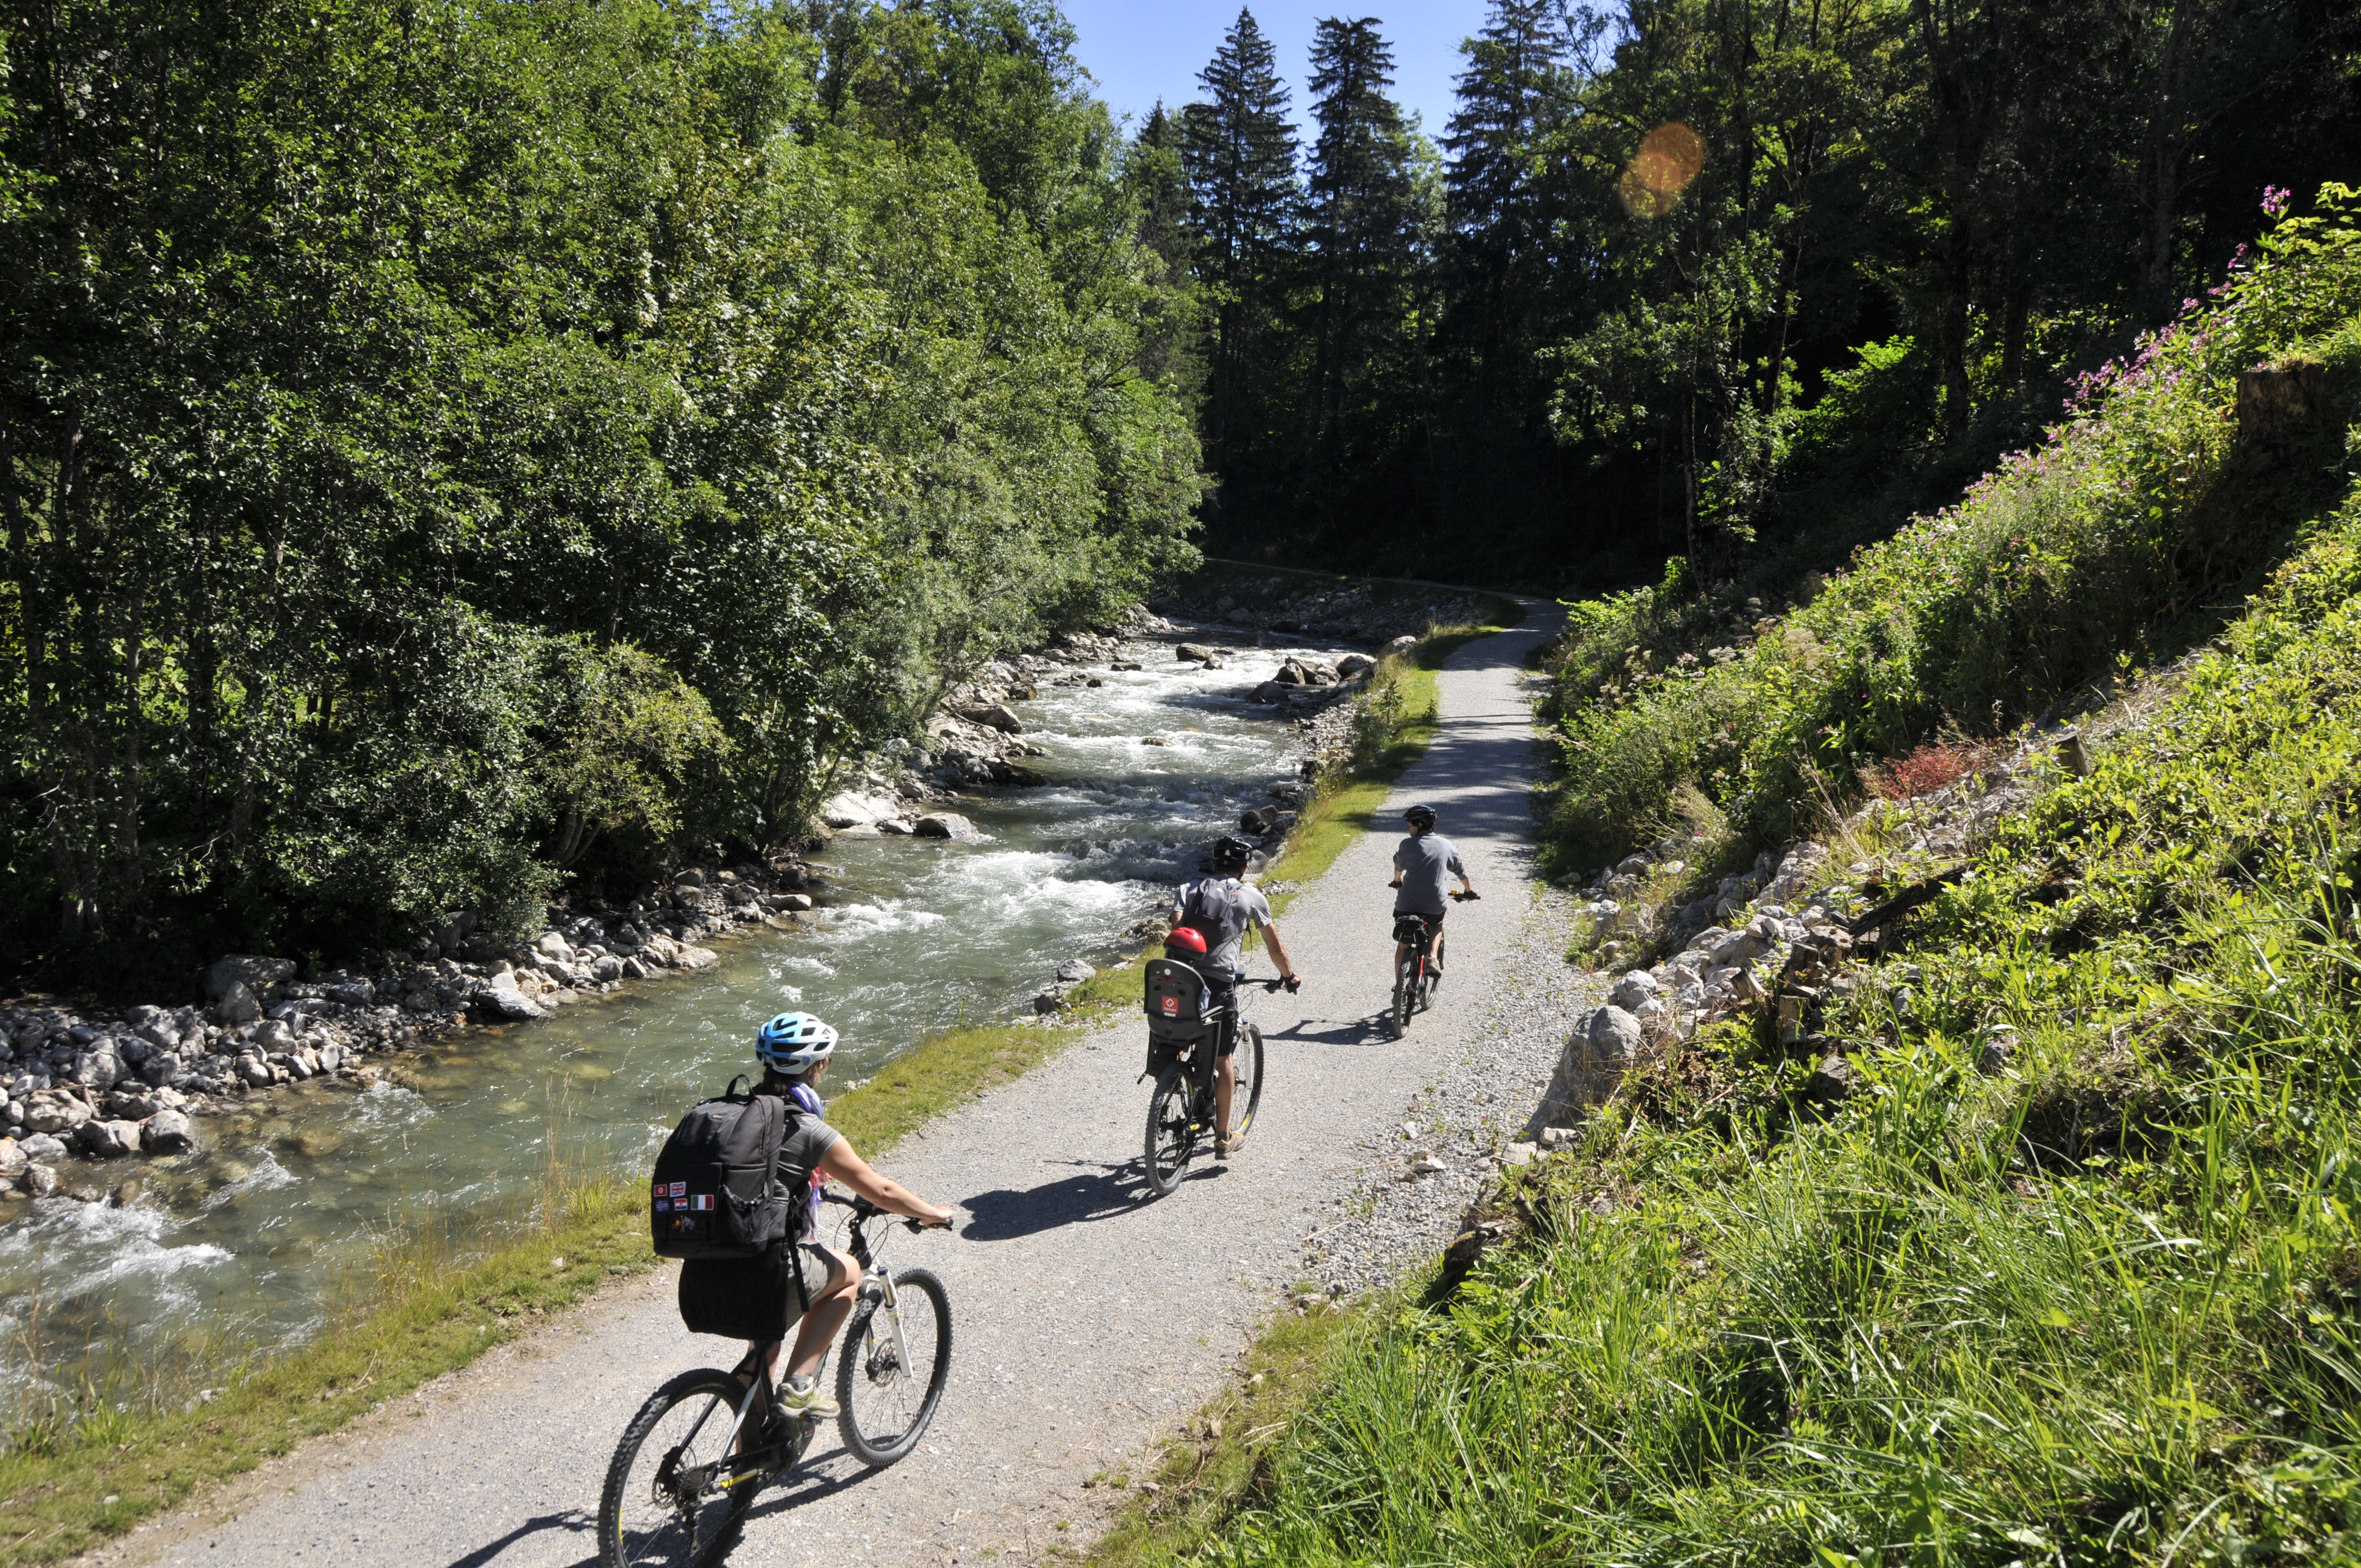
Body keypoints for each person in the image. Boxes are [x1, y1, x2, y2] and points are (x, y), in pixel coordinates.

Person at [732, 1011, 954, 1431]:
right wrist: (930, 1213)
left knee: (762, 1357)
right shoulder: (808, 1129)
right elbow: (881, 1192)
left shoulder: (737, 1112)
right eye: (826, 1061)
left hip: (716, 1264)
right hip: (766, 1267)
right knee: (850, 1273)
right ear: (815, 1068)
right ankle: (800, 1385)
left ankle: (748, 1467)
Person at [1171, 835, 1302, 1158]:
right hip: (1218, 986)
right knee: (1223, 1059)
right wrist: (1289, 977)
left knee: (1178, 1038)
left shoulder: (1188, 890)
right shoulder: (1251, 896)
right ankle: (1223, 1137)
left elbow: (1175, 935)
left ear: (1214, 863)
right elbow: (1275, 948)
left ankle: (1175, 1084)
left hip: (1179, 981)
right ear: (1244, 868)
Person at [1389, 804, 1476, 982]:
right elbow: (1461, 871)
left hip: (1406, 904)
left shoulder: (1406, 845)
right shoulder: (1446, 845)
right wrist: (1468, 891)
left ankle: (1399, 986)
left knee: (1403, 945)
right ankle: (1433, 958)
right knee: (1437, 923)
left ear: (1419, 824)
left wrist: (1397, 881)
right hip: (1434, 904)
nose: (1408, 828)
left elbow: (1398, 868)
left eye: (1411, 824)